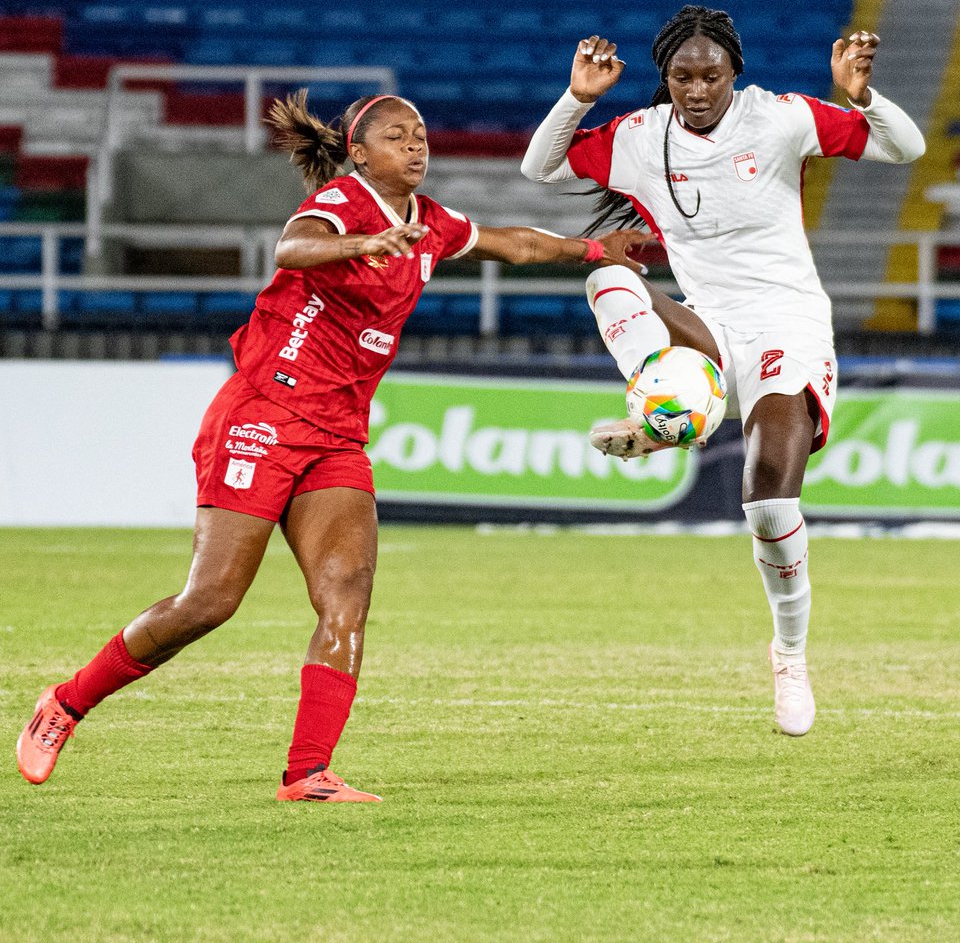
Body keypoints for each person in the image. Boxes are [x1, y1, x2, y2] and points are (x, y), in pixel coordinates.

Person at [16, 89, 646, 802]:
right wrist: (362, 245)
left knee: (346, 595)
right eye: (397, 136)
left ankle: (307, 772)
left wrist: (592, 249)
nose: (415, 145)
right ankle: (65, 703)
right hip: (264, 413)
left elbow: (514, 243)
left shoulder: (430, 222)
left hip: (338, 435)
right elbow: (292, 247)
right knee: (210, 601)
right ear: (360, 153)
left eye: (420, 134)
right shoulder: (343, 204)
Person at [520, 5, 925, 736]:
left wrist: (860, 97)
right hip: (708, 331)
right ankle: (663, 404)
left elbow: (907, 146)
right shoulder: (640, 137)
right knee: (608, 277)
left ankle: (789, 654)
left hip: (787, 326)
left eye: (711, 76)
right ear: (666, 77)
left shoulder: (780, 118)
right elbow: (539, 166)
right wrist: (578, 97)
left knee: (767, 498)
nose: (697, 89)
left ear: (735, 72)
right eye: (683, 76)